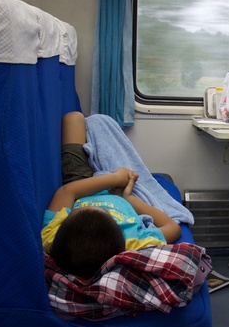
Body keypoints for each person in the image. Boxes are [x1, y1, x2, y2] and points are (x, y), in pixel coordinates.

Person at [41, 112, 181, 278]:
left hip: (82, 185)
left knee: (73, 119)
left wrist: (114, 178)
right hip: (121, 192)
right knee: (103, 129)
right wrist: (128, 198)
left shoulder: (51, 238)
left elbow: (68, 191)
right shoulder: (132, 244)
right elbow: (173, 227)